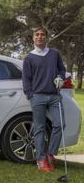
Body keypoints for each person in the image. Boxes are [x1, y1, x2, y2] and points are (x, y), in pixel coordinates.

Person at [22, 27, 66, 171]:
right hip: (38, 97)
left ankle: (50, 155)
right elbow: (26, 80)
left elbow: (62, 69)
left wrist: (60, 78)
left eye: (42, 35)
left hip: (54, 96)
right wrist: (31, 96)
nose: (40, 37)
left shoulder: (55, 54)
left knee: (60, 124)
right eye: (37, 35)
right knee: (39, 128)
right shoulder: (29, 58)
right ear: (33, 38)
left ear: (46, 37)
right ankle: (40, 159)